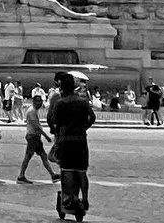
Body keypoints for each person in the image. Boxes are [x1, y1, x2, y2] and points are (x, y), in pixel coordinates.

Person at [48, 71, 96, 219]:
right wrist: (84, 128)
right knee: (81, 171)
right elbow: (92, 118)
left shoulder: (60, 102)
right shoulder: (82, 101)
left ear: (62, 87)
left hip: (65, 140)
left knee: (67, 170)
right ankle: (85, 198)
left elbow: (52, 120)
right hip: (81, 139)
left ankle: (68, 199)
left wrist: (56, 130)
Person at [17, 95, 58, 183]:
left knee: (42, 156)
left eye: (41, 101)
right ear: (34, 101)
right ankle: (21, 176)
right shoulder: (31, 111)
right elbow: (36, 126)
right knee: (29, 156)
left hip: (34, 136)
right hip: (33, 136)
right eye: (38, 101)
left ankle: (53, 175)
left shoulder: (33, 111)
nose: (40, 103)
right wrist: (46, 136)